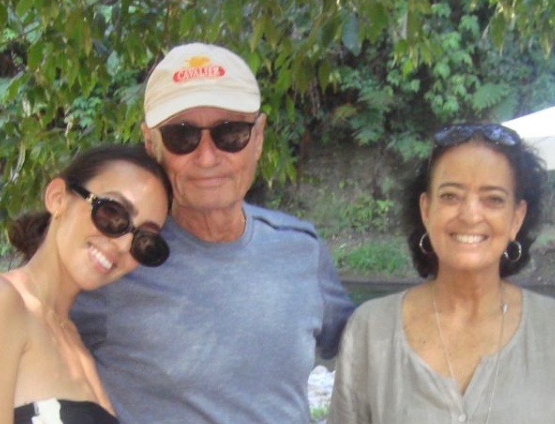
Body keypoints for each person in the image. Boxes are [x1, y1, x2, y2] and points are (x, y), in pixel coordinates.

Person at [71, 42, 355, 423]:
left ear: (258, 138)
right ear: (151, 144)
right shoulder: (117, 259)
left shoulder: (300, 248)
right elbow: (23, 334)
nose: (206, 157)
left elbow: (371, 348)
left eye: (230, 133)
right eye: (182, 136)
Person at [328, 122, 555, 424]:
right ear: (426, 210)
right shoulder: (371, 329)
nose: (470, 215)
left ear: (516, 218)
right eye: (451, 196)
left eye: (493, 199)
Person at [0, 144, 173, 424]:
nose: (122, 245)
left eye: (144, 240)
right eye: (112, 213)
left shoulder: (75, 341)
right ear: (58, 198)